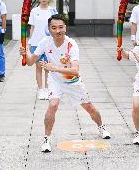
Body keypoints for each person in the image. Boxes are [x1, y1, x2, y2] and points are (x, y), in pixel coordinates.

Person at [19, 14, 111, 153]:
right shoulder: (45, 42)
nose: (58, 31)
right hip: (55, 80)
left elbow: (75, 70)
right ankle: (46, 138)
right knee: (53, 105)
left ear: (65, 28)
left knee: (89, 108)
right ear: (49, 29)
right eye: (54, 28)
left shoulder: (71, 44)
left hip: (72, 81)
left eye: (60, 27)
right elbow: (31, 62)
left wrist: (53, 68)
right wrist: (25, 54)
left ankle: (101, 127)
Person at [28, 0, 57, 100]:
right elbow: (32, 28)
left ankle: (49, 89)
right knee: (39, 67)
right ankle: (41, 90)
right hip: (37, 43)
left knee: (48, 68)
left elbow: (56, 27)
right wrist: (30, 42)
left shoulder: (53, 11)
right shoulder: (34, 11)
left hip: (50, 43)